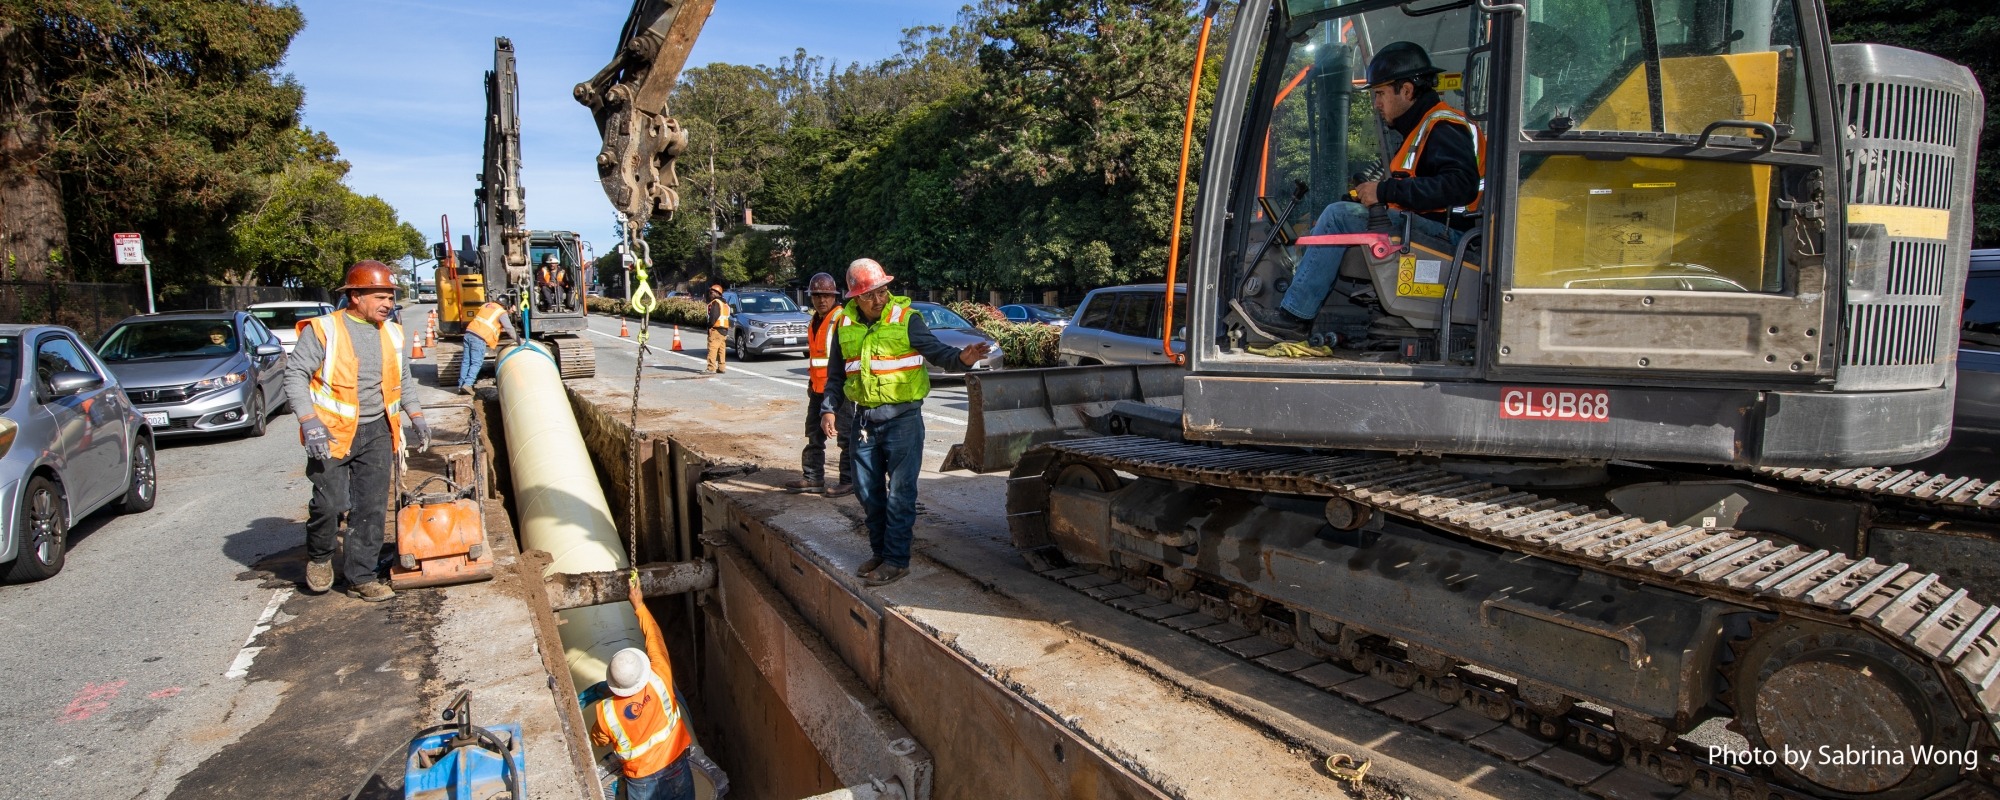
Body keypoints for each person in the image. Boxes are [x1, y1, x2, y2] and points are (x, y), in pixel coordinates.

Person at [1238, 41, 1484, 342]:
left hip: (1454, 238)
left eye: (1380, 93)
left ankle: (1294, 316)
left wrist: (1383, 191)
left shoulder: (1443, 127)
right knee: (1342, 213)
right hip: (1437, 228)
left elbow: (1460, 185)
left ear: (1406, 90)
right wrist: (1372, 195)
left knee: (1339, 217)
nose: (1376, 103)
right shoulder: (1424, 127)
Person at [819, 259, 992, 586]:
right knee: (866, 491)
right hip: (865, 420)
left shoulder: (907, 320)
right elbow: (836, 375)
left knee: (900, 493)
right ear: (856, 297)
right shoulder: (843, 325)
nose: (879, 298)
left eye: (882, 290)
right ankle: (881, 552)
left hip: (903, 421)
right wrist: (828, 409)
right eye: (870, 294)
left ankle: (897, 560)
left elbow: (939, 353)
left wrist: (963, 359)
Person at [284, 261, 430, 602]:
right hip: (331, 432)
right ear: (354, 296)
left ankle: (360, 577)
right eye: (380, 296)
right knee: (331, 503)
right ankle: (320, 557)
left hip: (378, 430)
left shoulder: (392, 332)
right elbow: (295, 376)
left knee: (371, 507)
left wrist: (417, 415)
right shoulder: (323, 330)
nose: (388, 304)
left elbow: (403, 378)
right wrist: (309, 421)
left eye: (391, 298)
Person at [590, 575, 696, 800]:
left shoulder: (606, 712)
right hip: (676, 763)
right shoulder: (660, 677)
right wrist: (639, 605)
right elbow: (654, 639)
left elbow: (598, 739)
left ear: (614, 684)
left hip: (641, 779)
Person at [785, 273, 855, 497]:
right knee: (814, 435)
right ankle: (813, 478)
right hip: (817, 389)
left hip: (838, 391)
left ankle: (849, 480)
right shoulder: (815, 320)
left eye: (826, 295)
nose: (821, 300)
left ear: (834, 296)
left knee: (845, 436)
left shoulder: (841, 319)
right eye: (816, 296)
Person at [458, 294, 519, 394]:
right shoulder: (501, 312)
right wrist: (519, 341)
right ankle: (468, 384)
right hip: (479, 337)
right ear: (505, 304)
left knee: (466, 361)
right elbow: (509, 328)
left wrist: (509, 312)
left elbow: (492, 316)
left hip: (469, 333)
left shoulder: (487, 305)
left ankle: (461, 386)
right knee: (476, 362)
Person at [703, 283, 730, 375]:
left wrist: (710, 327)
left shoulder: (716, 303)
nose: (710, 294)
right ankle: (721, 368)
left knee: (712, 348)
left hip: (716, 329)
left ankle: (711, 368)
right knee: (721, 350)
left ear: (716, 293)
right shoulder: (725, 304)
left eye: (711, 293)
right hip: (724, 330)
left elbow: (713, 316)